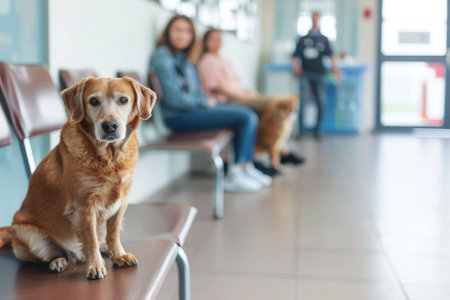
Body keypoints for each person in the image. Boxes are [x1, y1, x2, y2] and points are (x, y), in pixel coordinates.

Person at [149, 15, 271, 192]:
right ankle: (235, 174)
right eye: (177, 30)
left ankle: (246, 167)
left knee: (246, 112)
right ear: (167, 33)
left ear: (193, 36)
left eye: (187, 31)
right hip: (177, 117)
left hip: (191, 111)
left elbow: (193, 92)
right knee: (245, 116)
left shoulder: (184, 59)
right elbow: (174, 99)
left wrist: (203, 100)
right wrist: (204, 101)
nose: (182, 35)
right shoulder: (163, 57)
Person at [197, 28, 304, 172]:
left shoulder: (223, 60)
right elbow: (217, 88)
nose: (217, 41)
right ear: (205, 42)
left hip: (241, 95)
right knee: (277, 104)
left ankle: (278, 150)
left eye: (219, 38)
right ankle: (268, 154)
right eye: (213, 38)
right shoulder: (207, 61)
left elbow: (237, 83)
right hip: (229, 100)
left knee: (275, 109)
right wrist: (243, 96)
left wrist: (249, 93)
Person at [291, 11, 341, 139]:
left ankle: (317, 131)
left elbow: (331, 57)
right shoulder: (303, 39)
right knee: (302, 102)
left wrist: (336, 70)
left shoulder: (324, 39)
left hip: (319, 74)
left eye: (316, 18)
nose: (314, 20)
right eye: (312, 18)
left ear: (319, 20)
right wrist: (296, 67)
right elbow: (294, 56)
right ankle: (301, 132)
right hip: (305, 74)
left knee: (321, 102)